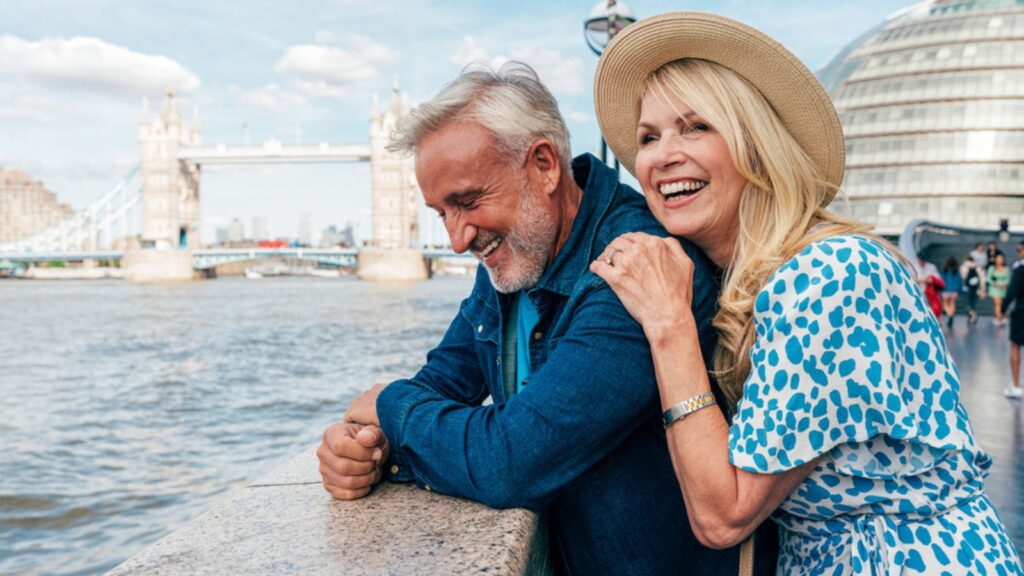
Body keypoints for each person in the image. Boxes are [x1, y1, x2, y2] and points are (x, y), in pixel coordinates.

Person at [591, 11, 1023, 574]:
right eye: (649, 137)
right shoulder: (752, 282)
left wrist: (668, 322)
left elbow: (724, 515)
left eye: (696, 126)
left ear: (757, 146)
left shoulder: (830, 275)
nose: (661, 154)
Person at [316, 62, 777, 575]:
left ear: (544, 165)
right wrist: (367, 448)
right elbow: (442, 385)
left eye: (467, 202)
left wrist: (388, 404)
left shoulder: (637, 264)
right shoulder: (514, 253)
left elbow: (513, 460)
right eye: (440, 213)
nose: (456, 239)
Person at [1002, 241, 1024, 398]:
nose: (1018, 252)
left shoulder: (1020, 269)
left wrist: (1003, 308)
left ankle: (1016, 385)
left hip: (1022, 312)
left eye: (1020, 249)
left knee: (1015, 345)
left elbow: (1012, 291)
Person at [916, 254, 944, 320]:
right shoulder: (913, 266)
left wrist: (926, 280)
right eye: (920, 260)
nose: (921, 263)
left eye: (923, 261)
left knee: (933, 312)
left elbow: (937, 279)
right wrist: (922, 280)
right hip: (918, 293)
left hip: (930, 294)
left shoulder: (931, 267)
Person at [989, 253, 1012, 326]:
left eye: (1001, 259)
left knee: (1001, 304)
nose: (999, 260)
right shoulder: (992, 268)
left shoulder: (1006, 269)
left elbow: (1008, 279)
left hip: (1003, 289)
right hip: (995, 288)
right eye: (998, 259)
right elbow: (989, 278)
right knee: (997, 303)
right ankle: (1000, 318)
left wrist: (1003, 284)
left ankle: (997, 317)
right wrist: (996, 284)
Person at [940, 256, 962, 329]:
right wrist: (959, 289)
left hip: (946, 290)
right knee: (952, 304)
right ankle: (951, 315)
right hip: (954, 290)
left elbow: (942, 280)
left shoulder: (945, 271)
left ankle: (949, 314)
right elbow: (959, 281)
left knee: (945, 304)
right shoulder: (956, 271)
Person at [961, 254, 983, 325]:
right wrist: (982, 289)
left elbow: (962, 278)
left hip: (966, 288)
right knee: (973, 304)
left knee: (966, 303)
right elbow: (982, 279)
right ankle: (970, 318)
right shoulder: (977, 267)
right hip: (975, 288)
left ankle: (973, 315)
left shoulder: (963, 267)